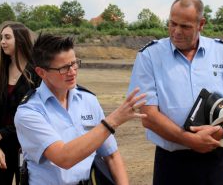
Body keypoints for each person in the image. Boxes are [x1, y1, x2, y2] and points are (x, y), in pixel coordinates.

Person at [128, 0, 223, 185]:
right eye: (172, 23)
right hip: (171, 165)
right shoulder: (149, 56)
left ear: (201, 23)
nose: (176, 31)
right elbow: (149, 116)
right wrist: (188, 139)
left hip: (215, 161)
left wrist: (222, 130)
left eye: (185, 26)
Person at [14, 33, 147, 185]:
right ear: (41, 72)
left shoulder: (88, 100)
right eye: (64, 68)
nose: (72, 71)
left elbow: (111, 155)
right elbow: (63, 158)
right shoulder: (29, 112)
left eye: (74, 63)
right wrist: (113, 120)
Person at [0, 23, 41, 185]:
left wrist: (2, 133)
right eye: (1, 38)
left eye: (7, 37)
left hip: (27, 148)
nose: (2, 42)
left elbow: (33, 115)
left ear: (21, 40)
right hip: (0, 150)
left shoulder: (36, 74)